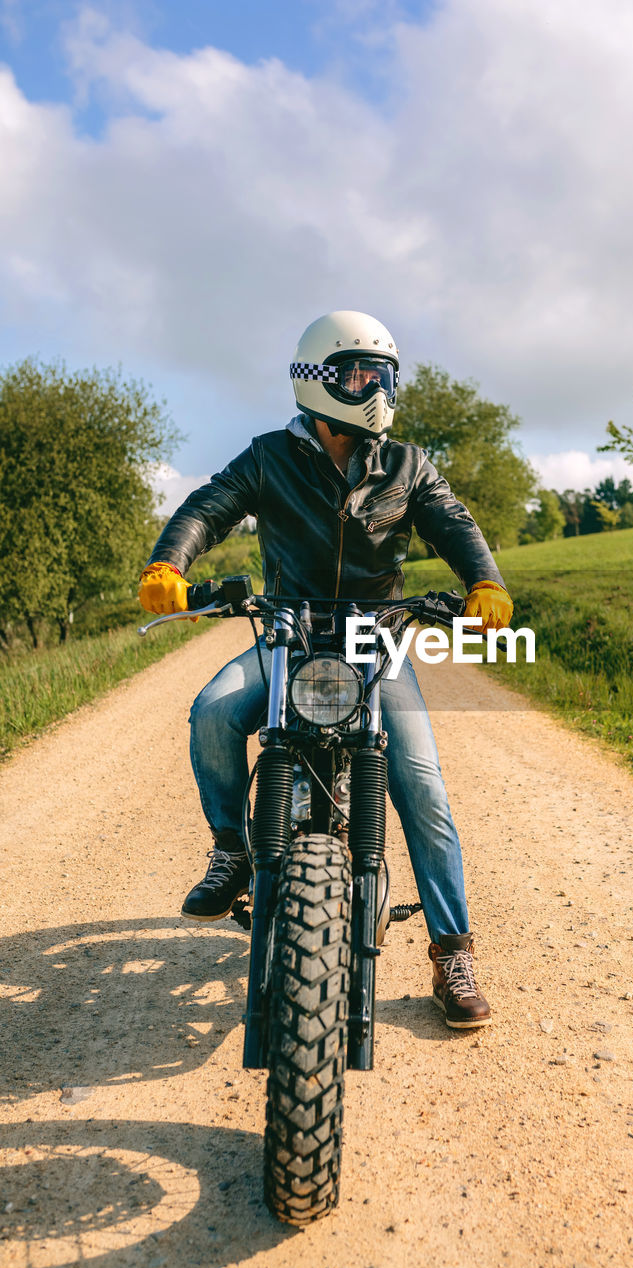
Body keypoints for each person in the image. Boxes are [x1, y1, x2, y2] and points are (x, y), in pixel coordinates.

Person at [138, 310, 513, 1030]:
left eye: (382, 374)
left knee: (423, 789)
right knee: (213, 712)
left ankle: (452, 952)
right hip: (288, 633)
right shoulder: (267, 457)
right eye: (357, 373)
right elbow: (207, 507)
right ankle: (231, 850)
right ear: (317, 379)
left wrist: (484, 581)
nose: (373, 386)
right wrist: (169, 560)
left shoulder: (406, 464)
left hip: (374, 643)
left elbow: (453, 522)